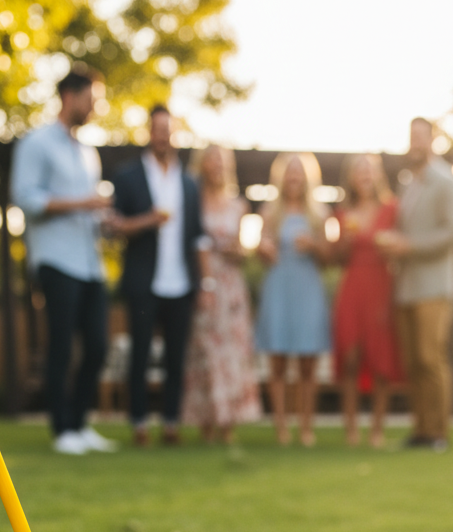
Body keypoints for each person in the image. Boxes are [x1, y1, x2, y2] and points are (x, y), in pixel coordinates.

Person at [11, 65, 117, 455]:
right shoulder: (36, 144)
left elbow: (89, 210)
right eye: (91, 101)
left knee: (99, 346)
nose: (94, 109)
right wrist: (83, 203)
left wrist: (105, 220)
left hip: (90, 263)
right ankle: (62, 430)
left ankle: (80, 423)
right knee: (61, 346)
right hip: (55, 260)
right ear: (70, 97)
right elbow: (27, 199)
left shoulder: (88, 153)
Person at [109, 105, 209, 446]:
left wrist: (204, 282)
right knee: (139, 354)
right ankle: (138, 423)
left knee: (175, 358)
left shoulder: (189, 183)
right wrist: (147, 221)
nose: (163, 135)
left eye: (168, 130)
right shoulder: (128, 177)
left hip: (182, 284)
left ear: (175, 134)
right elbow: (114, 228)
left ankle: (170, 423)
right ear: (149, 133)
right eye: (157, 129)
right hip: (143, 282)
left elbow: (197, 236)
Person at [376, 117, 453, 452]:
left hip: (435, 286)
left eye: (420, 137)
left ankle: (439, 433)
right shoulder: (407, 185)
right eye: (411, 137)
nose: (415, 143)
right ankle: (421, 429)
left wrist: (409, 245)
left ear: (433, 140)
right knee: (413, 361)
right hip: (407, 287)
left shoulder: (447, 182)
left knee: (431, 358)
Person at [182, 146, 260, 440]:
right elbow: (194, 243)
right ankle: (205, 423)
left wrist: (236, 251)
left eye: (221, 162)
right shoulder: (193, 203)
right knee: (204, 352)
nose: (216, 166)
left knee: (232, 353)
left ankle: (229, 424)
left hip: (232, 287)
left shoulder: (238, 205)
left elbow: (242, 250)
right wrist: (206, 284)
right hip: (205, 283)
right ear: (201, 166)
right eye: (211, 161)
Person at [255, 153, 330, 447]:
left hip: (308, 289)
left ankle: (307, 426)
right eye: (290, 172)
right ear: (281, 178)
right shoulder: (269, 213)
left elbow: (328, 259)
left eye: (299, 173)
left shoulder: (319, 214)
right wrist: (264, 249)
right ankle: (282, 426)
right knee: (277, 361)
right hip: (279, 288)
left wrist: (313, 245)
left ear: (308, 178)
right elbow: (261, 251)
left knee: (308, 363)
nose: (294, 178)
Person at [333, 153, 402, 449]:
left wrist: (390, 246)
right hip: (352, 286)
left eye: (369, 169)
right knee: (349, 355)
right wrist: (345, 243)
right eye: (358, 170)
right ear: (351, 177)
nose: (364, 175)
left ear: (377, 176)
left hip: (380, 284)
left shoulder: (392, 209)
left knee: (380, 358)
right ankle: (350, 429)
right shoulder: (342, 212)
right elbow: (336, 258)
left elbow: (400, 245)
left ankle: (376, 429)